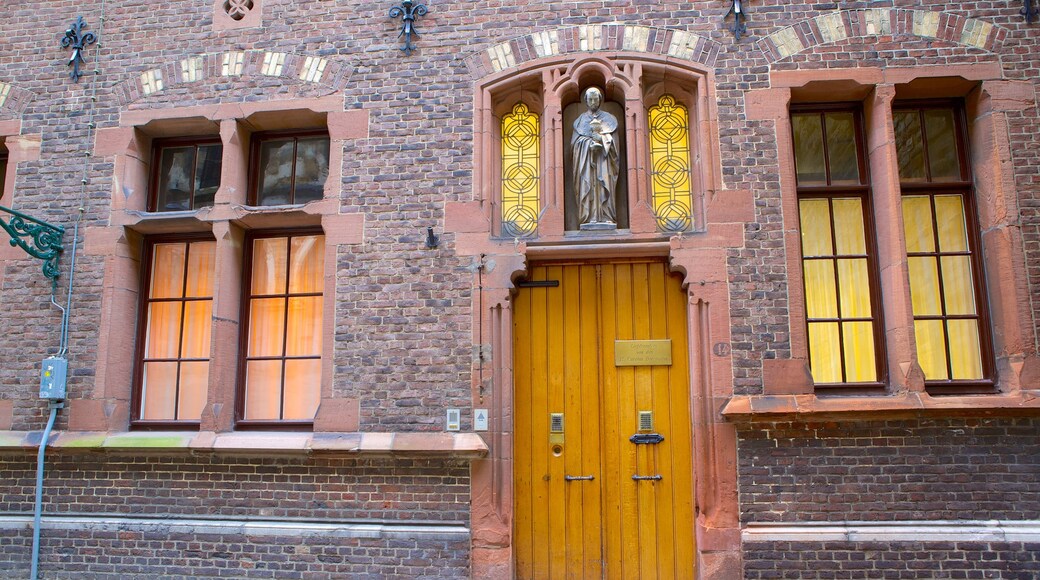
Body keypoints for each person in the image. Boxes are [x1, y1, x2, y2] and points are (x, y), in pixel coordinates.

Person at [571, 87, 619, 227]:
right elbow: (574, 146)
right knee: (588, 187)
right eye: (590, 99)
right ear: (585, 101)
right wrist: (587, 145)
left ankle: (606, 215)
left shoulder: (609, 119)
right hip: (586, 165)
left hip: (604, 163)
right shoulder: (580, 121)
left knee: (605, 185)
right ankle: (589, 216)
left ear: (600, 100)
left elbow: (616, 147)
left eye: (595, 99)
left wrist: (603, 140)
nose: (593, 102)